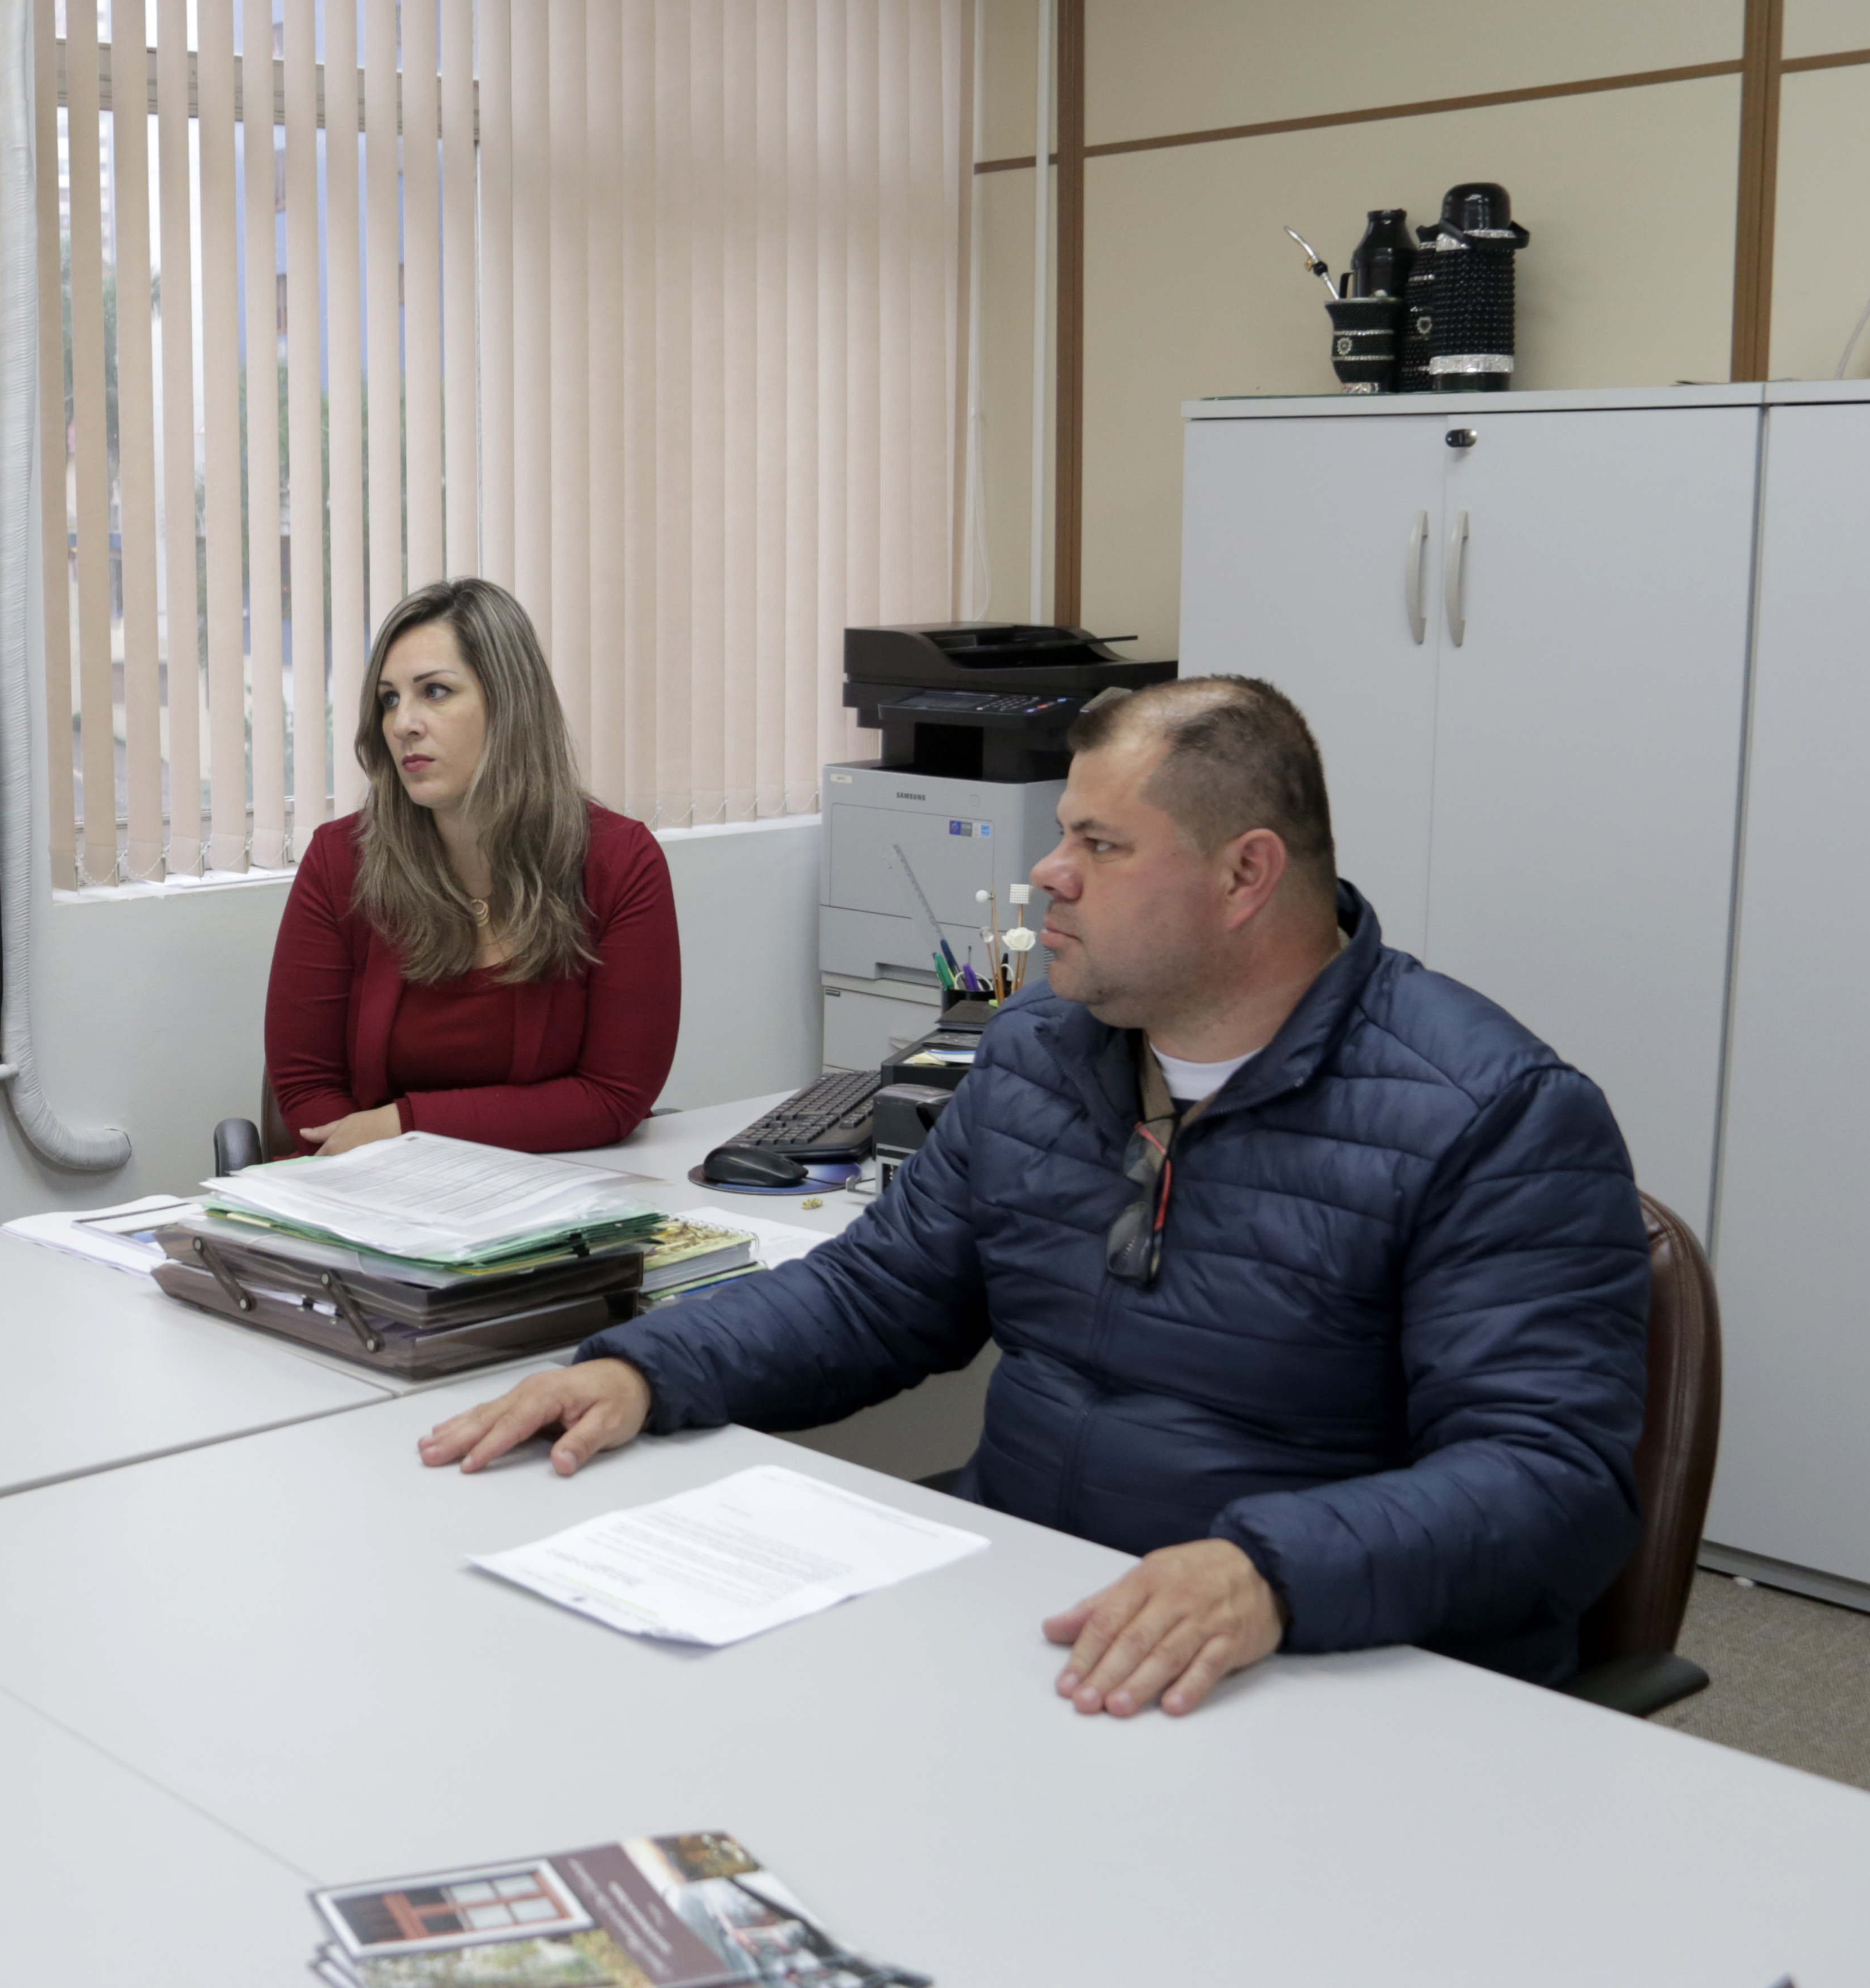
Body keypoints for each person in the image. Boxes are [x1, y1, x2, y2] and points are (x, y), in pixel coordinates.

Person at [420, 677, 1649, 1714]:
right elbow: (877, 1296)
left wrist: (1267, 1574)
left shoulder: (1492, 1117)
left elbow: (1551, 1480)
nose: (1048, 874)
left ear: (1246, 875)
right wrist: (645, 1368)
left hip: (1308, 1669)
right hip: (1035, 1619)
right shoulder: (1039, 1054)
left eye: (1100, 847)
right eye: (1064, 835)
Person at [266, 578, 680, 1156]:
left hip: (549, 1188)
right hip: (370, 1186)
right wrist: (387, 1165)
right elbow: (308, 1088)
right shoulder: (341, 861)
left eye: (434, 692)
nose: (403, 724)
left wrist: (404, 1125)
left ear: (510, 705)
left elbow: (614, 1095)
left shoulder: (621, 862)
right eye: (389, 700)